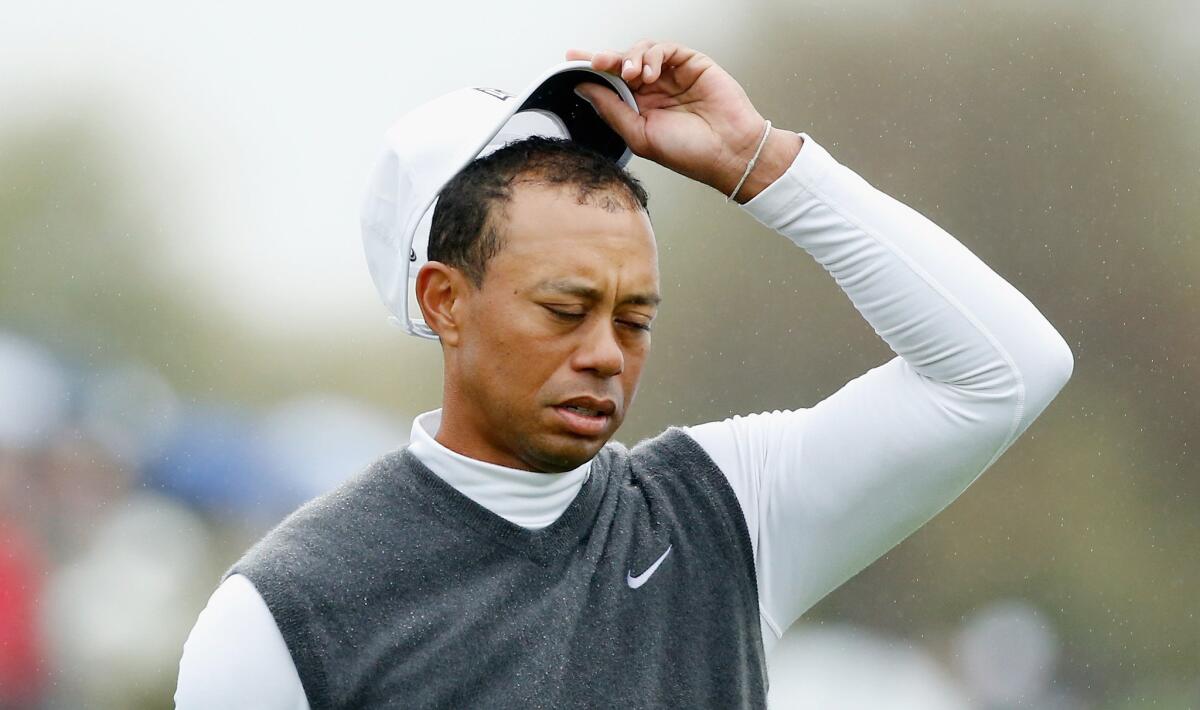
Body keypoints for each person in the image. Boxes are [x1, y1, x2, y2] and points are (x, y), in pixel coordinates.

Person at [174, 40, 1073, 708]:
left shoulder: (724, 512)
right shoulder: (283, 612)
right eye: (565, 311)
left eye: (635, 318)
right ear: (445, 301)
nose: (606, 352)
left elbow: (1005, 371)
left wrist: (761, 163)